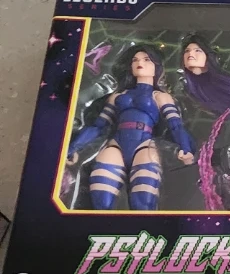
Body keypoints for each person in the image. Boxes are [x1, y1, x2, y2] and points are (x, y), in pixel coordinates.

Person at [67, 45, 194, 210]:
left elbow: (176, 126)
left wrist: (186, 148)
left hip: (144, 145)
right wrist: (73, 147)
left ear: (156, 67)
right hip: (115, 145)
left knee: (143, 202)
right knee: (101, 199)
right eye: (135, 60)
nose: (139, 63)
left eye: (146, 60)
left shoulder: (160, 96)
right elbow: (98, 126)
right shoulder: (118, 96)